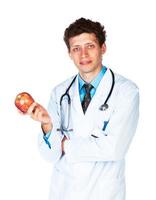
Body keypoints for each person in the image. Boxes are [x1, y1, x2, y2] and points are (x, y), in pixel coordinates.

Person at [27, 18, 139, 200]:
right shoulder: (59, 93)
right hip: (64, 192)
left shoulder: (126, 91)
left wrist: (64, 144)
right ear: (69, 53)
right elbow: (50, 155)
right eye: (76, 48)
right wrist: (47, 125)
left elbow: (115, 149)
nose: (83, 54)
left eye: (90, 46)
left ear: (103, 48)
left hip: (104, 193)